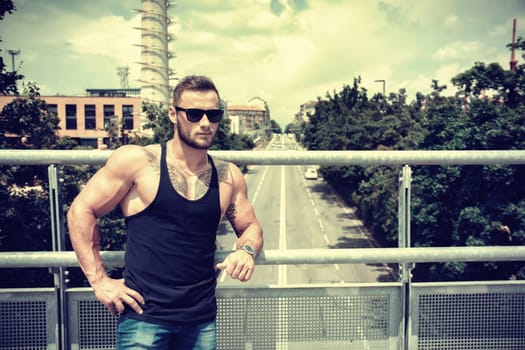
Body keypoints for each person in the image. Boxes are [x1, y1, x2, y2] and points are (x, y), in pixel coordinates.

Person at [67, 75, 264, 349]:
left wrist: (246, 251)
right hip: (143, 318)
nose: (206, 123)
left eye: (214, 114)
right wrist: (99, 281)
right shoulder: (137, 161)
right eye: (194, 114)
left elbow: (250, 227)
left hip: (200, 319)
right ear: (173, 114)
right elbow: (80, 211)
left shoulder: (228, 175)